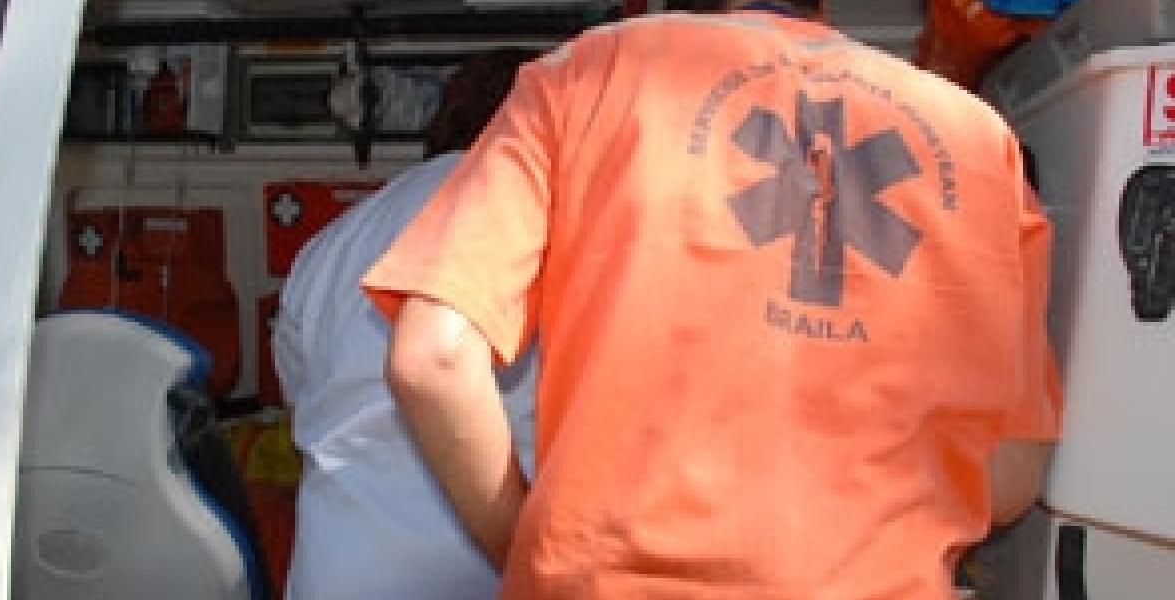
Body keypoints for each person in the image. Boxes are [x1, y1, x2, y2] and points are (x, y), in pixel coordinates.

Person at [364, 1, 1063, 598]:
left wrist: (526, 550)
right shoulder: (980, 140)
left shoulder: (589, 73)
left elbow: (434, 357)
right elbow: (1011, 474)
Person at [272, 48, 538, 600]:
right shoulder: (543, 222)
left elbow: (301, 396)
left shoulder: (335, 240)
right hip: (487, 571)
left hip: (341, 570)